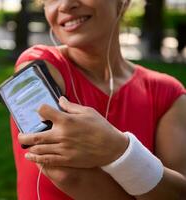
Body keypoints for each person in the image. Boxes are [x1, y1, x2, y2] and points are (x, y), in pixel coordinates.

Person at [10, 0, 186, 199]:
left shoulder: (167, 92)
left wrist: (118, 149)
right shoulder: (34, 68)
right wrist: (126, 158)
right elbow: (67, 174)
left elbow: (179, 192)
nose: (65, 5)